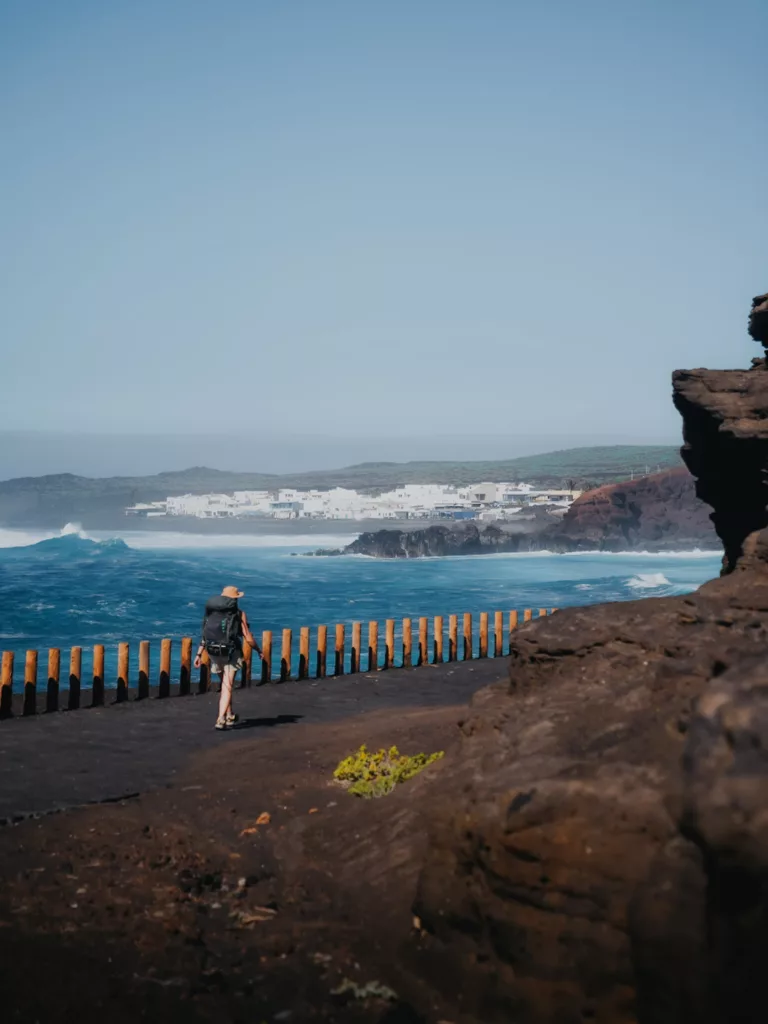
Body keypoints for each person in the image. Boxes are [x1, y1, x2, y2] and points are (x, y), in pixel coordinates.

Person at [194, 585, 262, 730]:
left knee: (225, 685)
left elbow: (205, 635)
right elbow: (248, 638)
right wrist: (258, 650)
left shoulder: (211, 613)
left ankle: (229, 714)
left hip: (213, 652)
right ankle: (220, 719)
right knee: (227, 686)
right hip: (231, 652)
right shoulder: (239, 614)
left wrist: (199, 654)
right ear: (236, 598)